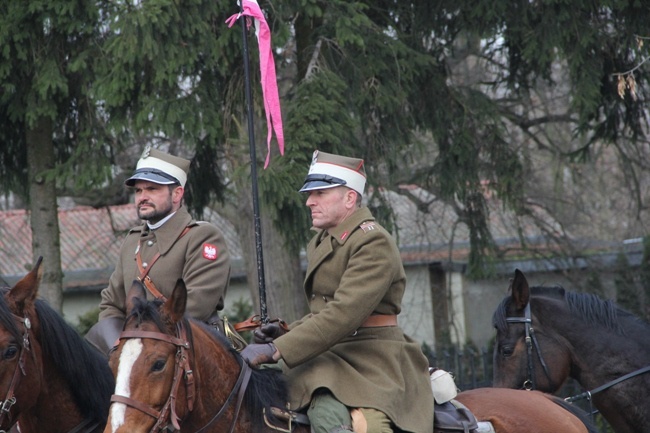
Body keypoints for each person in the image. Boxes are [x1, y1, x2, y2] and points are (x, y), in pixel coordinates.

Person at [241, 150, 434, 433]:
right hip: (332, 351)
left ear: (349, 198)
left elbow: (344, 314)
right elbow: (324, 310)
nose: (309, 201)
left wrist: (276, 349)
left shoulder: (372, 242)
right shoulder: (322, 240)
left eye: (320, 193)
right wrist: (287, 332)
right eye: (310, 194)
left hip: (372, 358)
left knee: (354, 422)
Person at [86, 146, 231, 355]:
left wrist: (145, 346)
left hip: (193, 358)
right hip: (137, 361)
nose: (142, 197)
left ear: (177, 194)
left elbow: (196, 306)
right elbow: (111, 304)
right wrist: (121, 351)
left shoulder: (202, 237)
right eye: (138, 190)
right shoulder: (133, 241)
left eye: (152, 189)